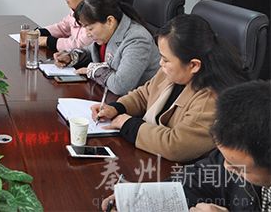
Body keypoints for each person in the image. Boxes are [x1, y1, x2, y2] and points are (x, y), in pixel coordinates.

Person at [91, 14, 248, 162]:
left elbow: (176, 146)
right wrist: (117, 108)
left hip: (180, 170)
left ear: (194, 65)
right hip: (150, 155)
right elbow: (144, 94)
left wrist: (128, 124)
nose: (161, 63)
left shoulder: (211, 99)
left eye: (166, 60)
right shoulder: (173, 71)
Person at [101, 81, 271, 212]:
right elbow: (199, 178)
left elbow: (175, 145)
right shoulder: (237, 152)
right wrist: (140, 198)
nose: (227, 167)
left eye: (240, 168)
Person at [54, 0, 160, 95]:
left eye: (90, 28)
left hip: (138, 102)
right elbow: (91, 52)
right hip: (107, 95)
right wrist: (71, 57)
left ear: (110, 21)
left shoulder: (137, 40)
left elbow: (121, 86)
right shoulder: (108, 33)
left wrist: (94, 71)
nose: (87, 34)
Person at [36, 0, 100, 52]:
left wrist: (48, 41)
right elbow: (62, 27)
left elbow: (79, 45)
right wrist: (39, 32)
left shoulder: (94, 18)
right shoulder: (75, 12)